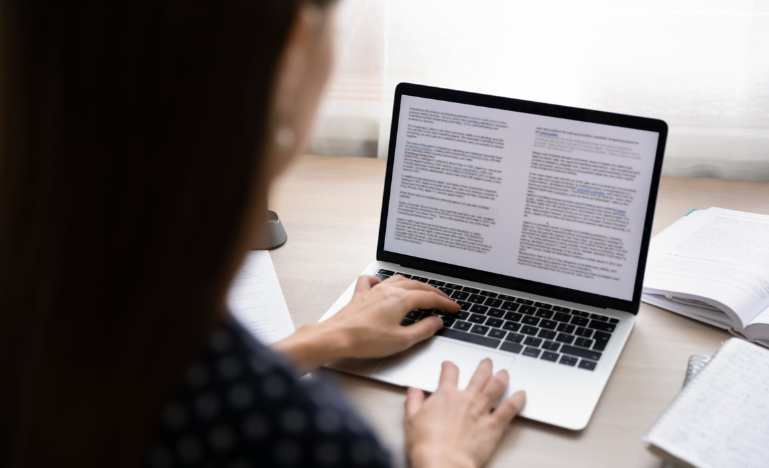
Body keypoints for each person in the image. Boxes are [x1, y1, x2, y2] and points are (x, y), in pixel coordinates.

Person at [0, 0, 527, 467]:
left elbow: (139, 386)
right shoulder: (299, 439)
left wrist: (325, 338)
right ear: (292, 51)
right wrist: (445, 457)